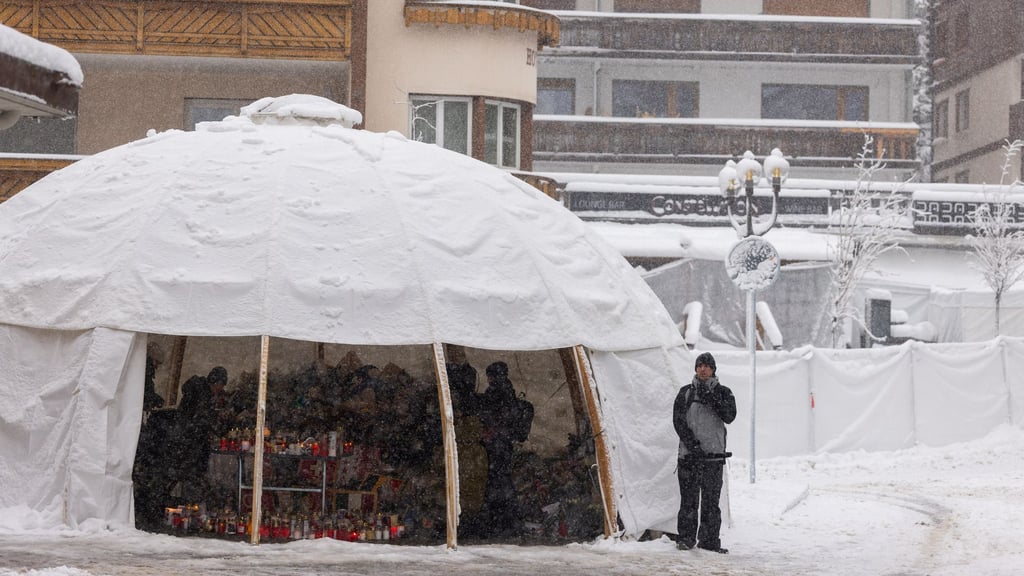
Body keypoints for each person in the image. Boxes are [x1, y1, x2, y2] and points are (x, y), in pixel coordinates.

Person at [673, 352, 737, 554]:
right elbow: (678, 422)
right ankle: (686, 539)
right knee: (689, 501)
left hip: (713, 458)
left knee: (711, 502)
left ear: (713, 369)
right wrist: (692, 445)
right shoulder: (685, 393)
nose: (703, 369)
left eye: (707, 366)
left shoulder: (724, 392)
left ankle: (709, 540)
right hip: (689, 457)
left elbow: (730, 416)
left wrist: (712, 398)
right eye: (699, 365)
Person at [477, 361, 524, 538]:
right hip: (503, 443)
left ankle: (499, 522)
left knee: (496, 481)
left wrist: (491, 430)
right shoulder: (507, 390)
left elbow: (495, 416)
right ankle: (506, 521)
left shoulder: (498, 392)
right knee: (502, 480)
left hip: (498, 443)